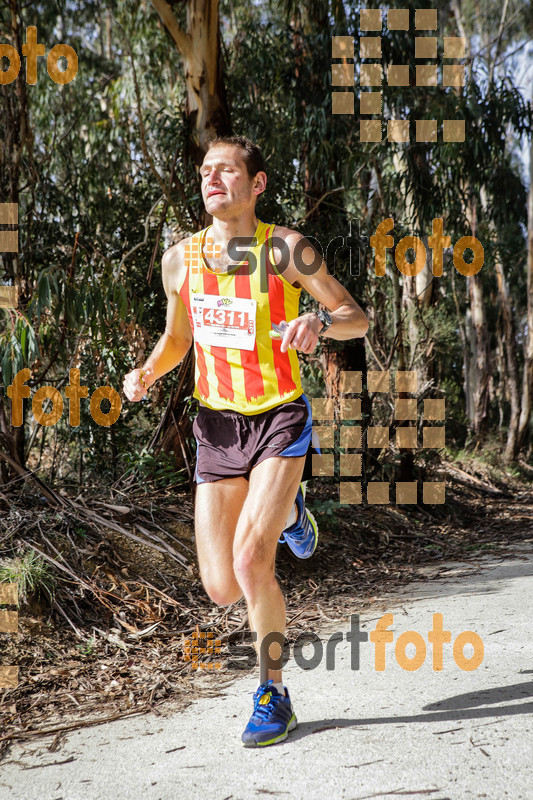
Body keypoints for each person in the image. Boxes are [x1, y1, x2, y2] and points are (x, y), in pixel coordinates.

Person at [123, 135, 369, 747]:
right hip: (217, 426)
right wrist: (148, 371)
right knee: (220, 585)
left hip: (278, 417)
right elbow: (177, 338)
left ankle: (273, 693)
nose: (212, 179)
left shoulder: (285, 250)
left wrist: (320, 320)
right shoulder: (180, 259)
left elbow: (355, 315)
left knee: (249, 562)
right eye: (205, 171)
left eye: (226, 170)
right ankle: (291, 511)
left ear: (255, 185)